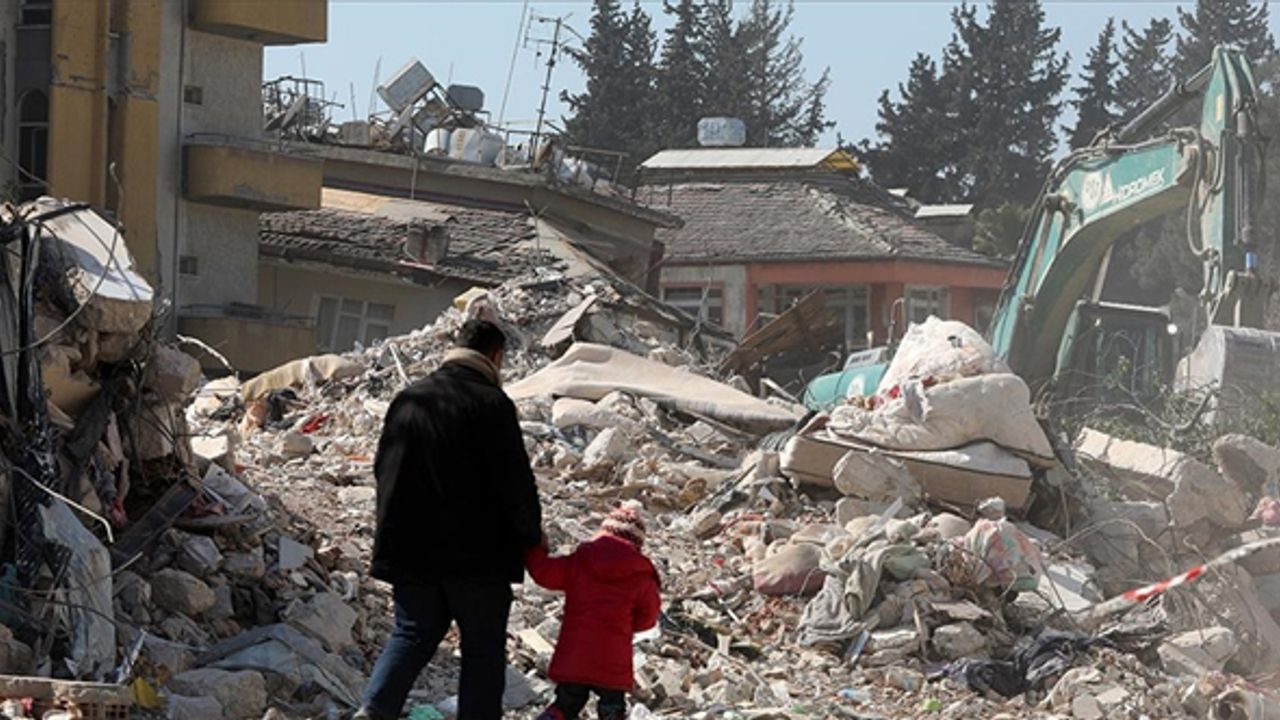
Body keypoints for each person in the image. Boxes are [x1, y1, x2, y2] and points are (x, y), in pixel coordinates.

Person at [356, 319, 542, 720]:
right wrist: (531, 536)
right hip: (477, 560)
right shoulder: (492, 404)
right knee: (482, 650)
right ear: (496, 356)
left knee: (410, 633)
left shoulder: (409, 399)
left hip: (410, 551)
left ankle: (373, 712)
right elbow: (516, 483)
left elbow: (382, 470)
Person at [527, 503, 661, 720]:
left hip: (575, 654)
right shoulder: (641, 575)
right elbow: (648, 618)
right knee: (611, 710)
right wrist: (626, 625)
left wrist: (535, 550)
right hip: (613, 659)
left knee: (565, 705)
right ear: (636, 543)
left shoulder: (581, 561)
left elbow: (544, 574)